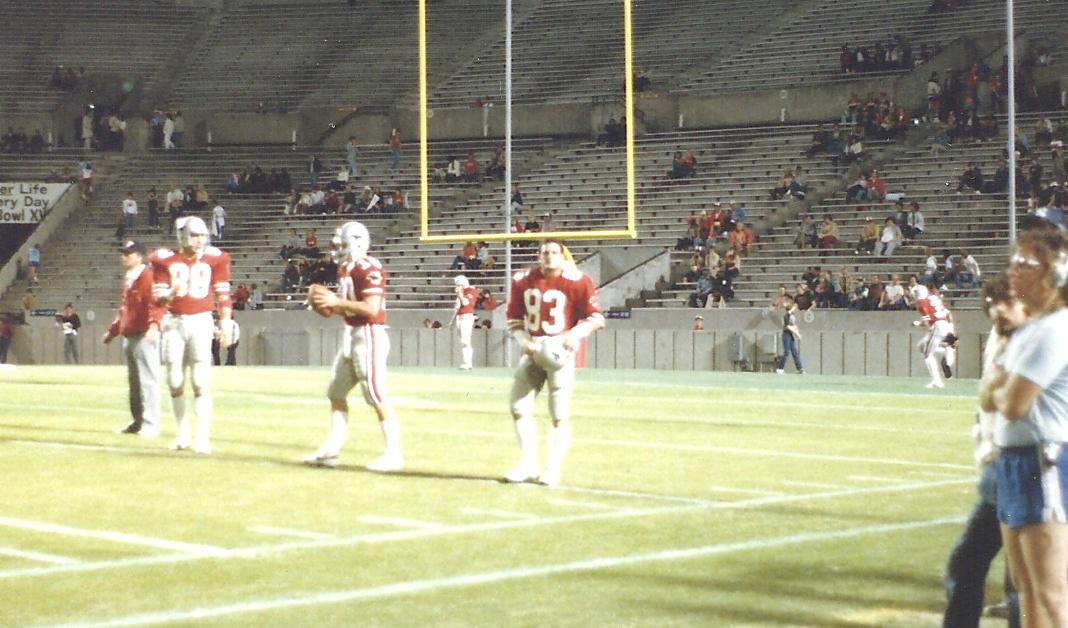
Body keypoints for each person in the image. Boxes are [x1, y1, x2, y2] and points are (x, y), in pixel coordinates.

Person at [980, 228, 1068, 628]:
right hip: (1015, 459)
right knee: (1025, 587)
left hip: (1043, 460)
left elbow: (1011, 404)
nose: (1013, 269)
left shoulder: (1055, 329)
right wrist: (1001, 390)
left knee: (1051, 595)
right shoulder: (1029, 330)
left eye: (1025, 263)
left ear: (1056, 273)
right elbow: (988, 395)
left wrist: (1002, 389)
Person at [942, 273, 1023, 628]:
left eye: (1005, 303)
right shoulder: (1002, 336)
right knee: (971, 562)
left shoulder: (1038, 339)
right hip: (998, 465)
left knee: (1022, 576)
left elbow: (1006, 401)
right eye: (991, 305)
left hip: (1025, 464)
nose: (996, 312)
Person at [504, 239, 605, 487]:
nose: (549, 256)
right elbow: (514, 317)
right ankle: (528, 464)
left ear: (562, 256)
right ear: (539, 256)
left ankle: (551, 469)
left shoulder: (578, 280)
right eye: (544, 252)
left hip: (560, 352)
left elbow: (596, 318)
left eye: (553, 252)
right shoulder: (522, 280)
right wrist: (522, 340)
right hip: (534, 349)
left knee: (558, 415)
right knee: (518, 406)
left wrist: (574, 334)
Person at [304, 221, 403, 472]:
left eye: (343, 244)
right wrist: (326, 305)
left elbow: (371, 309)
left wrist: (336, 301)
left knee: (376, 395)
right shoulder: (346, 269)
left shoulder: (369, 269)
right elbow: (344, 307)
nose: (338, 249)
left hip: (369, 334)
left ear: (358, 242)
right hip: (352, 333)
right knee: (335, 393)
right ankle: (332, 449)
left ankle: (393, 453)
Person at [150, 216, 234, 455]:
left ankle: (202, 437)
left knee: (200, 382)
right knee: (175, 381)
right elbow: (157, 299)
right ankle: (182, 434)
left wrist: (226, 321)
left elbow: (223, 293)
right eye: (195, 235)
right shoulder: (164, 260)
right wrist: (170, 293)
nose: (199, 240)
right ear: (182, 235)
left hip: (201, 321)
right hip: (174, 322)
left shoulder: (215, 259)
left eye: (202, 235)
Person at [104, 240, 164, 438]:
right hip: (130, 334)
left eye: (128, 254)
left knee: (148, 380)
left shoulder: (147, 276)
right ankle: (138, 421)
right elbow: (124, 308)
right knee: (135, 382)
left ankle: (151, 423)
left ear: (139, 256)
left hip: (144, 333)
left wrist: (154, 326)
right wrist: (113, 331)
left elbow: (154, 304)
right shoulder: (130, 277)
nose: (124, 257)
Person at [912, 283, 954, 389]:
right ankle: (945, 349)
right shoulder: (934, 297)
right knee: (921, 346)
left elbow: (926, 323)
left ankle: (937, 381)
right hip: (945, 325)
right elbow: (948, 314)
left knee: (927, 354)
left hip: (937, 326)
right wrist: (951, 329)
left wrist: (917, 323)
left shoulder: (921, 302)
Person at [448, 275, 477, 370]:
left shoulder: (471, 291)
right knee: (463, 341)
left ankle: (468, 363)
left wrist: (459, 293)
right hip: (460, 317)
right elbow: (458, 307)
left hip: (466, 317)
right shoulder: (463, 292)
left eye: (459, 284)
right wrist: (452, 320)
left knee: (466, 341)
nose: (457, 286)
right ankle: (467, 363)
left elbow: (465, 303)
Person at [775, 298, 804, 374]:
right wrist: (796, 333)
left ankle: (799, 368)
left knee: (795, 352)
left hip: (790, 335)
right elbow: (788, 326)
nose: (796, 308)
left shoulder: (792, 316)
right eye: (794, 307)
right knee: (786, 352)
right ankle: (780, 368)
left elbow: (794, 325)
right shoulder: (786, 315)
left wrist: (797, 332)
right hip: (786, 335)